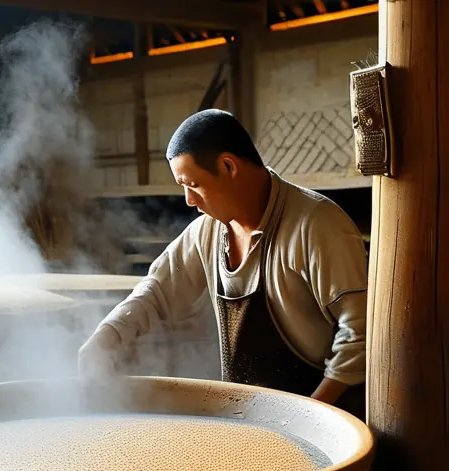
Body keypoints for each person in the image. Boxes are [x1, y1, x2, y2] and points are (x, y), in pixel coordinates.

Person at [79, 109, 367, 409]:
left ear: (228, 166)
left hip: (328, 419)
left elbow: (360, 335)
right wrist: (106, 337)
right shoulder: (207, 232)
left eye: (193, 185)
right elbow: (156, 290)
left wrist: (309, 415)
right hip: (252, 417)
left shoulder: (318, 225)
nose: (189, 200)